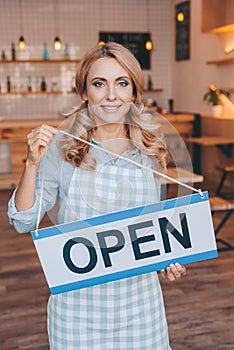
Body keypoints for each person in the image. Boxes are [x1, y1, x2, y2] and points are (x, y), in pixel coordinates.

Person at [8, 42, 186, 349]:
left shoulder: (150, 151)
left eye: (122, 83)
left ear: (134, 92)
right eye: (99, 84)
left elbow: (151, 224)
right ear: (84, 92)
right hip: (77, 311)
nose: (112, 95)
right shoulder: (62, 148)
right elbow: (24, 220)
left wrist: (167, 258)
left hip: (141, 307)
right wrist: (32, 163)